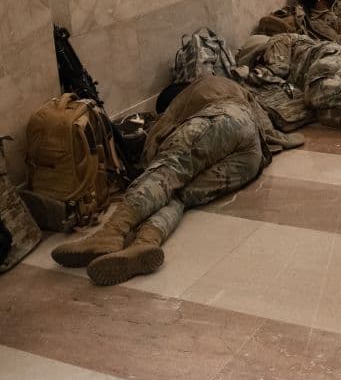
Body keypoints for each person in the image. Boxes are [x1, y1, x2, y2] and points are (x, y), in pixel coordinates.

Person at [50, 76, 304, 285]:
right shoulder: (240, 92)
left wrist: (150, 161)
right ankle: (145, 243)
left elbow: (163, 134)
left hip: (225, 121)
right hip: (251, 158)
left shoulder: (198, 90)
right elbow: (273, 132)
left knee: (166, 174)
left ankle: (111, 232)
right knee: (180, 196)